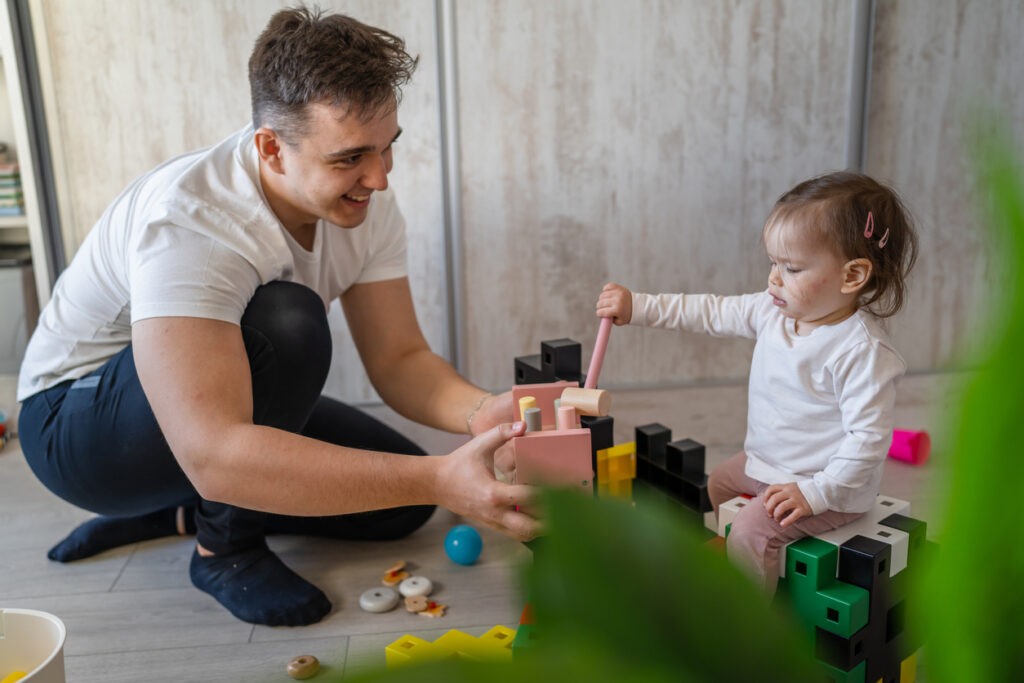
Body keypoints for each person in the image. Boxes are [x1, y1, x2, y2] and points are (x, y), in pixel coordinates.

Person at [16, 6, 537, 627]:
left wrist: (484, 415)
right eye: (350, 158)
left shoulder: (363, 204)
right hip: (75, 427)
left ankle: (180, 513)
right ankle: (222, 550)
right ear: (271, 147)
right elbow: (214, 449)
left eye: (387, 147)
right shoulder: (193, 222)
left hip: (198, 403)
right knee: (288, 322)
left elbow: (400, 360)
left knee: (398, 509)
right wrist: (441, 478)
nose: (379, 177)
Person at [595, 171, 917, 594]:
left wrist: (815, 494)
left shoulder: (862, 352)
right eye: (773, 263)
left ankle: (747, 628)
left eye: (792, 267)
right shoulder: (773, 311)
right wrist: (639, 306)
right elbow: (710, 312)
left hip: (824, 488)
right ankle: (721, 564)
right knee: (717, 484)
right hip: (764, 465)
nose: (774, 279)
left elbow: (867, 443)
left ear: (852, 276)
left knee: (752, 531)